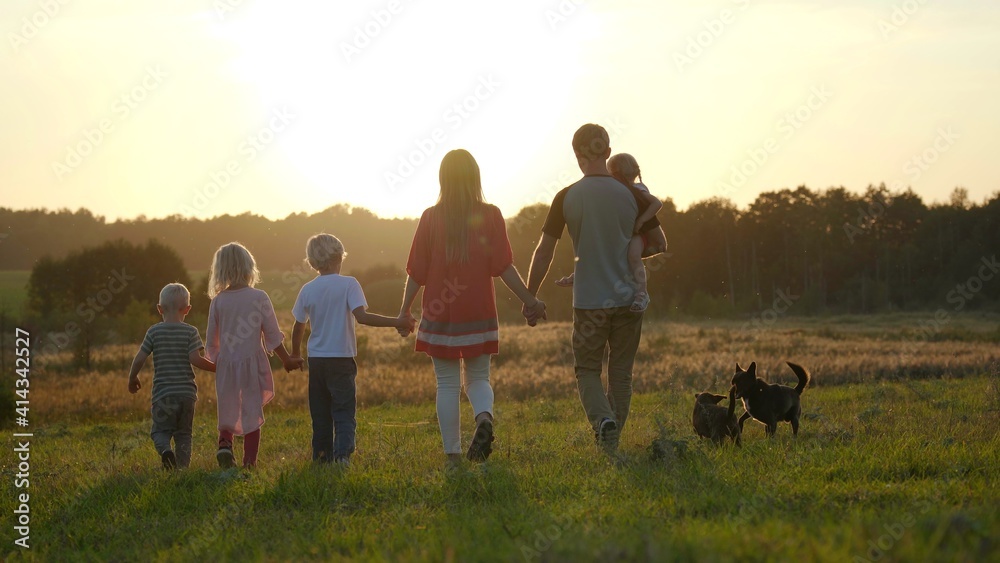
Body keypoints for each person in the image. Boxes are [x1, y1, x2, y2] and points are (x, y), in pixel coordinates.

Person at [398, 149, 545, 470]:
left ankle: (452, 457)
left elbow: (416, 272)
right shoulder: (491, 215)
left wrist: (404, 310)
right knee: (478, 377)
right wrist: (529, 300)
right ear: (475, 177)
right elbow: (504, 267)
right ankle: (484, 417)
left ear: (442, 179)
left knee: (447, 384)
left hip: (439, 313)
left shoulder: (430, 217)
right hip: (479, 310)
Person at [524, 124, 657, 454]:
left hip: (589, 302)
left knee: (587, 370)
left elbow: (544, 251)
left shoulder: (567, 196)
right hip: (628, 299)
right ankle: (611, 440)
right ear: (608, 153)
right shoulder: (631, 193)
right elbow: (659, 242)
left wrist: (530, 296)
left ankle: (603, 424)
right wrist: (627, 253)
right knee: (621, 373)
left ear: (577, 155)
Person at [291, 233, 415, 467]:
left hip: (316, 361)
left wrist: (295, 354)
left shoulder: (307, 289)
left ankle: (321, 457)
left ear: (312, 262)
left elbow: (298, 326)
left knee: (320, 412)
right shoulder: (349, 284)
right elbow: (363, 317)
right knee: (344, 409)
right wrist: (398, 322)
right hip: (342, 360)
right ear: (339, 256)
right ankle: (343, 455)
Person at [205, 242, 303, 469]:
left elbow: (211, 343)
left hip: (227, 365)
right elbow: (271, 336)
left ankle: (224, 444)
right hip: (252, 364)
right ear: (250, 267)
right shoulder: (259, 297)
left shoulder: (218, 301)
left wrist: (221, 362)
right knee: (251, 410)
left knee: (227, 406)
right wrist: (286, 359)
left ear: (220, 270)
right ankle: (249, 463)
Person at [554, 152, 667, 312]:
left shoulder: (637, 191)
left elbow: (656, 204)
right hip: (626, 234)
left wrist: (641, 221)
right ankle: (578, 275)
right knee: (597, 246)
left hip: (638, 235)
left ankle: (642, 293)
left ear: (617, 173)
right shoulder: (618, 192)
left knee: (633, 256)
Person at [127, 283, 216, 469]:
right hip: (187, 395)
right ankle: (182, 470)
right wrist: (218, 368)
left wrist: (132, 378)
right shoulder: (190, 332)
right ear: (188, 309)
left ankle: (166, 451)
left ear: (160, 308)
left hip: (163, 396)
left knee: (160, 431)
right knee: (184, 434)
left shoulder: (154, 332)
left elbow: (139, 358)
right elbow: (195, 359)